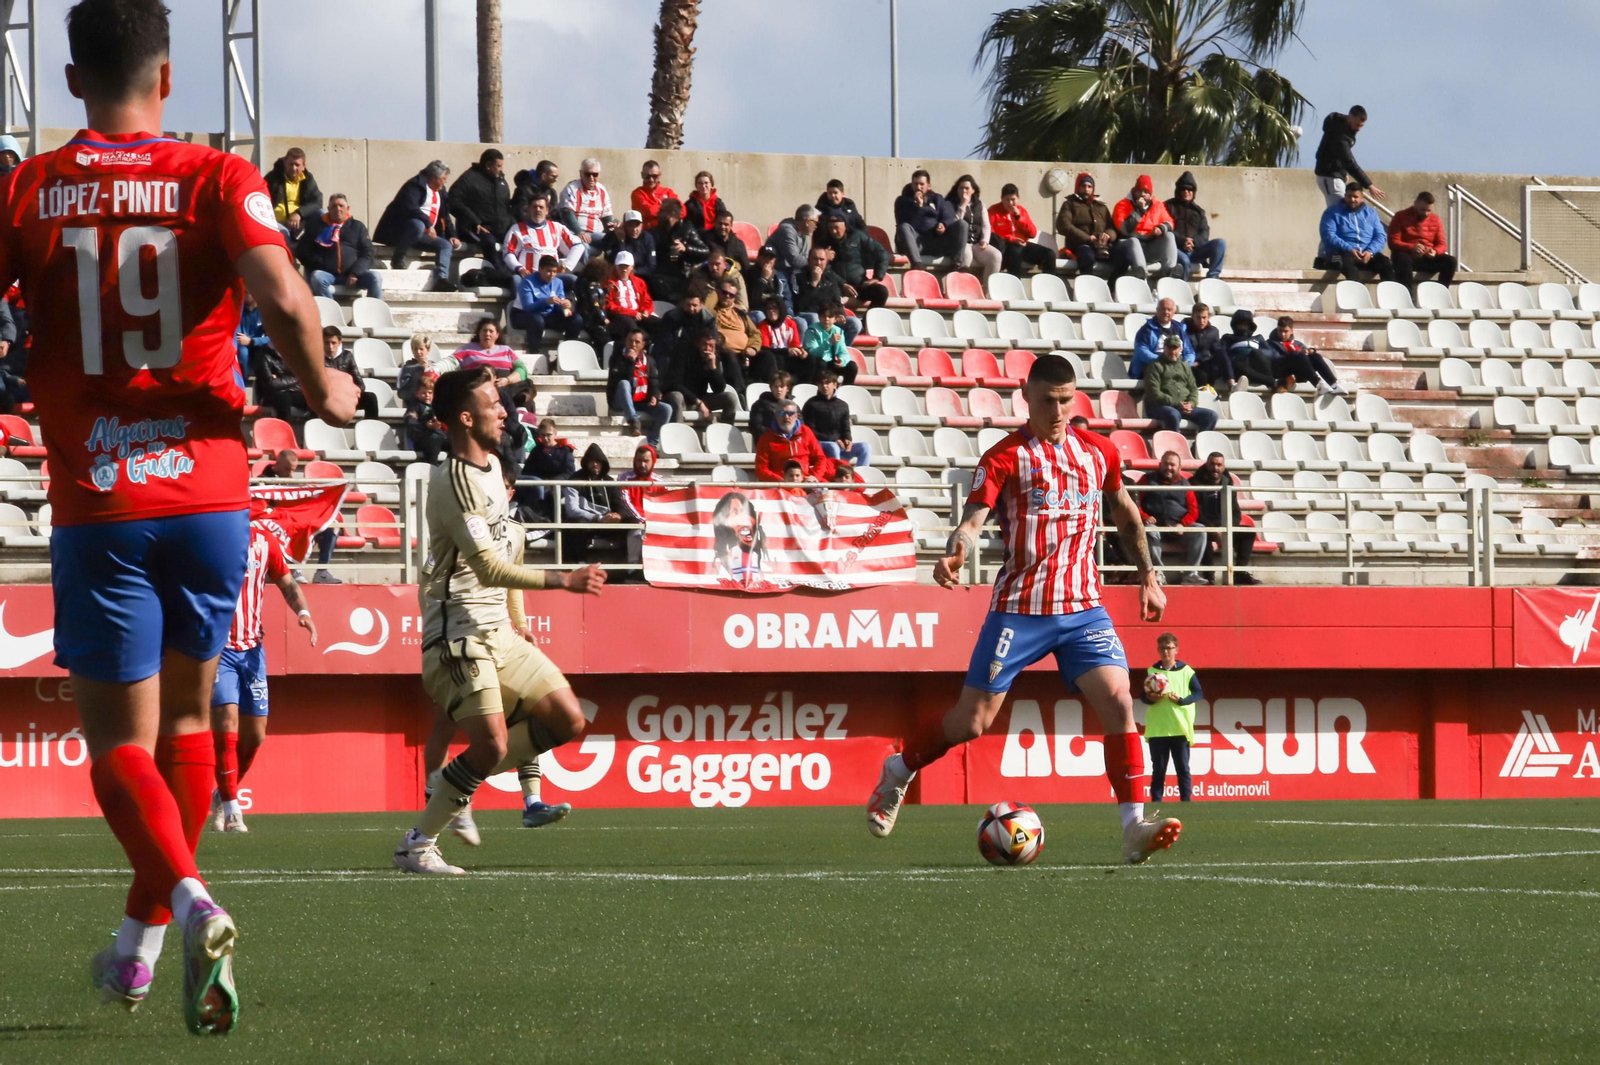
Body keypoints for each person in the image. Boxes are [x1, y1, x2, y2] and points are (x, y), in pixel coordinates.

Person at [0, 0, 359, 1033]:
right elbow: (286, 301)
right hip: (209, 495)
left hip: (101, 501)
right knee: (194, 724)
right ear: (168, 81)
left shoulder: (30, 187)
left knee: (120, 744)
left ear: (72, 83)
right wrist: (326, 387)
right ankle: (139, 945)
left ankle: (193, 897)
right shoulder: (216, 179)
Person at [864, 355, 1179, 866]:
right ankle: (899, 770)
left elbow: (1125, 513)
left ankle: (1132, 828)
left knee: (1120, 704)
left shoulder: (1098, 452)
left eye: (1066, 399)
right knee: (971, 722)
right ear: (1026, 397)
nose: (1057, 410)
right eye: (1047, 400)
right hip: (1020, 609)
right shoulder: (1005, 456)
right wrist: (958, 547)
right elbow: (973, 518)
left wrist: (1148, 575)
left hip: (1083, 610)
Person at [395, 366, 606, 875]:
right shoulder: (456, 482)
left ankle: (453, 783)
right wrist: (565, 581)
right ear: (466, 418)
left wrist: (518, 617)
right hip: (457, 632)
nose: (505, 411)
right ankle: (418, 843)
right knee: (490, 743)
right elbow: (488, 567)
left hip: (499, 633)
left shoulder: (492, 466)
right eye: (494, 404)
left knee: (569, 720)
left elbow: (505, 561)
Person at [207, 519, 316, 834]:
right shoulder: (210, 538)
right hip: (219, 650)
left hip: (253, 650)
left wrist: (304, 613)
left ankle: (222, 794)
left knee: (255, 736)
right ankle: (231, 811)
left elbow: (287, 582)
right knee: (227, 725)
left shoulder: (265, 541)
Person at [375, 160, 460, 291]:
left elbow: (445, 216)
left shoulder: (441, 192)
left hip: (425, 235)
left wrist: (453, 235)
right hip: (403, 232)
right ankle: (398, 258)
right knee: (417, 225)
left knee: (445, 245)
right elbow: (410, 207)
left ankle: (441, 279)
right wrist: (428, 223)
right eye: (443, 179)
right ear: (434, 177)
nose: (445, 183)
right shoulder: (414, 185)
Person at [1141, 633, 1202, 803]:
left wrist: (1182, 701)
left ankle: (1186, 802)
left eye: (1169, 648)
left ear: (1176, 650)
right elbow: (1143, 697)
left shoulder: (1186, 671)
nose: (1166, 652)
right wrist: (1151, 699)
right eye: (1162, 648)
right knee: (1158, 769)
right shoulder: (1152, 672)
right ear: (1158, 650)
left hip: (1179, 727)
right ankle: (1156, 802)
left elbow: (1198, 693)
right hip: (1158, 729)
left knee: (1182, 768)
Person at [1188, 451, 1258, 585]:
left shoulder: (1228, 484)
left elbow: (1235, 511)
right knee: (1202, 535)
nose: (1215, 468)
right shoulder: (1194, 483)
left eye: (1219, 465)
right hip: (1204, 526)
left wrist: (1228, 528)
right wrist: (1214, 530)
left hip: (1225, 526)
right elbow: (1195, 512)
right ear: (1206, 464)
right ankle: (1209, 576)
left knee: (1248, 532)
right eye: (1212, 464)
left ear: (1223, 466)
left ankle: (1240, 572)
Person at [294, 193, 381, 298]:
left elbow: (368, 253)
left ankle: (372, 313)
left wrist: (355, 273)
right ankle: (331, 311)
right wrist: (323, 263)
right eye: (334, 206)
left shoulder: (357, 227)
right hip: (328, 274)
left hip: (353, 275)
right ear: (328, 209)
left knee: (375, 278)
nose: (338, 209)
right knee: (317, 278)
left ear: (347, 208)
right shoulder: (316, 226)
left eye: (341, 206)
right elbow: (302, 251)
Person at [1141, 450, 1205, 585]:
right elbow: (1134, 503)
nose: (1169, 468)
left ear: (1179, 468)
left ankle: (1191, 574)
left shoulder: (1185, 484)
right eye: (1166, 464)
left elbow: (1193, 510)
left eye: (1172, 465)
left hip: (1178, 529)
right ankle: (1158, 572)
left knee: (1200, 530)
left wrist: (1183, 524)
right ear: (1160, 464)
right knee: (1149, 530)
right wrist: (1145, 516)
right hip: (1155, 526)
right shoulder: (1147, 480)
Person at [563, 442, 630, 563]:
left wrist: (618, 515)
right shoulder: (574, 480)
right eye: (591, 461)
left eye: (598, 461)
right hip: (587, 521)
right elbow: (572, 510)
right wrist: (598, 518)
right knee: (576, 524)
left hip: (606, 522)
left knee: (632, 523)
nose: (595, 464)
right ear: (586, 463)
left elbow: (620, 503)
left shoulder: (609, 481)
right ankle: (580, 563)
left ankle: (632, 566)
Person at [606, 328, 671, 443]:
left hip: (641, 400)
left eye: (637, 342)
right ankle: (633, 421)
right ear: (625, 341)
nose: (633, 345)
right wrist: (630, 362)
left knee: (666, 409)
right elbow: (618, 380)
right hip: (620, 401)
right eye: (630, 341)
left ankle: (652, 443)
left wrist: (654, 396)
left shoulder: (649, 360)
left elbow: (654, 381)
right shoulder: (617, 358)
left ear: (643, 344)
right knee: (624, 384)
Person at [1313, 105, 1385, 208]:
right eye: (1357, 125)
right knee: (1339, 211)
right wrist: (1369, 185)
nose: (1359, 129)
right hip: (1330, 177)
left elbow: (1336, 155)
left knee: (1340, 210)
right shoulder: (1341, 136)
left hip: (1333, 175)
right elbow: (1349, 161)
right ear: (1350, 117)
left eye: (1361, 126)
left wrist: (1342, 172)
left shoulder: (1340, 124)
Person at [1143, 335, 1217, 434]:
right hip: (1159, 407)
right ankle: (1175, 445)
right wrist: (1177, 404)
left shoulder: (1185, 367)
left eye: (1175, 348)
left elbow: (1193, 389)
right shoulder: (1155, 366)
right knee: (1173, 414)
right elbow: (1154, 393)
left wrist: (1191, 403)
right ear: (1164, 348)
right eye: (1169, 348)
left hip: (1184, 407)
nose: (1172, 352)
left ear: (1180, 349)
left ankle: (1198, 446)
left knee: (1211, 416)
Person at [1319, 184, 1393, 282]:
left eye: (1356, 197)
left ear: (1362, 198)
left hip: (1366, 253)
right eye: (1349, 196)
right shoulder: (1332, 212)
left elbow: (1380, 236)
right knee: (1350, 269)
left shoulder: (1371, 214)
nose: (1352, 200)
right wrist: (1350, 249)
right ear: (1345, 196)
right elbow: (1328, 235)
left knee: (1386, 264)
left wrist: (1370, 252)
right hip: (1343, 252)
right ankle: (1358, 295)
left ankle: (1390, 295)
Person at [815, 211, 889, 309]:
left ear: (845, 226)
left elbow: (881, 253)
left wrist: (877, 277)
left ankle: (867, 321)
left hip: (859, 284)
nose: (833, 231)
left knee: (881, 292)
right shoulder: (824, 242)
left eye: (836, 228)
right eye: (830, 228)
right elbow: (820, 267)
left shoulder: (858, 237)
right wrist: (842, 284)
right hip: (835, 285)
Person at [1112, 175, 1181, 278]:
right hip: (1127, 246)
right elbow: (1124, 230)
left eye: (1146, 192)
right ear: (1134, 191)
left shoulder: (1158, 205)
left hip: (1149, 246)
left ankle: (1170, 271)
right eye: (1140, 191)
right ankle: (1141, 273)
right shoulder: (1122, 205)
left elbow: (1170, 222)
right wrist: (1139, 210)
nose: (1142, 194)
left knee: (1169, 235)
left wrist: (1161, 228)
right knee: (1133, 241)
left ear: (1150, 193)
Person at [894, 170, 966, 268]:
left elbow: (949, 215)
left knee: (962, 224)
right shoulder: (902, 201)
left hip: (936, 241)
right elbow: (904, 223)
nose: (918, 187)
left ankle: (957, 264)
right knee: (904, 227)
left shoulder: (937, 199)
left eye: (922, 184)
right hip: (915, 243)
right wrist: (919, 206)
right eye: (915, 184)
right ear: (911, 185)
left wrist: (943, 224)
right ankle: (917, 265)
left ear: (929, 186)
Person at [450, 148, 513, 261]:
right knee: (489, 242)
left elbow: (506, 206)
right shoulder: (469, 179)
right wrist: (475, 222)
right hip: (476, 230)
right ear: (489, 166)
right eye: (499, 166)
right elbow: (453, 201)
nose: (501, 170)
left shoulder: (501, 181)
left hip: (499, 230)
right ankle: (498, 273)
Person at [1387, 191, 1457, 292]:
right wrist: (1412, 247)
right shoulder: (1400, 216)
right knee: (1403, 259)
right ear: (1415, 204)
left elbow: (1442, 244)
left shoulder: (1435, 219)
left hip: (1426, 258)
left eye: (1429, 210)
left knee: (1450, 261)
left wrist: (1435, 251)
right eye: (1422, 209)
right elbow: (1393, 242)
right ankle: (1407, 296)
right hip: (1406, 256)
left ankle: (1440, 294)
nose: (1426, 213)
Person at [755, 398, 837, 482]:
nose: (786, 417)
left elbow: (821, 458)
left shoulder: (806, 432)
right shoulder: (766, 438)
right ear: (776, 416)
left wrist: (815, 476)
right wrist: (780, 480)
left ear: (796, 416)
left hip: (806, 481)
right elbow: (760, 469)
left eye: (790, 413)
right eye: (782, 413)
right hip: (781, 483)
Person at [503, 192, 584, 278]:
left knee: (573, 280)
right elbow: (508, 253)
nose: (538, 210)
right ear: (529, 210)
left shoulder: (557, 228)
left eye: (541, 207)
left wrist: (565, 266)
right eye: (534, 207)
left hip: (552, 278)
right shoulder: (517, 229)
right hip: (528, 278)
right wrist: (519, 268)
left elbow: (578, 246)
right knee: (516, 279)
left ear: (547, 211)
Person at [664, 331, 737, 425]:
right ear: (697, 344)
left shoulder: (712, 358)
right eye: (704, 344)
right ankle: (678, 432)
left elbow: (719, 389)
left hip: (701, 398)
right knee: (676, 396)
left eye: (711, 346)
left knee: (730, 398)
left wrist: (713, 368)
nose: (707, 349)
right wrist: (699, 403)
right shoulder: (683, 353)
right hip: (683, 399)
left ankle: (725, 432)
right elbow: (675, 384)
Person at [1056, 172, 1121, 274]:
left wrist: (1108, 235)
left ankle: (1111, 287)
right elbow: (1063, 225)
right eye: (1083, 186)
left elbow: (1112, 227)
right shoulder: (1070, 204)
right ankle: (1087, 288)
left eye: (1089, 186)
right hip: (1080, 246)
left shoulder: (1101, 207)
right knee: (1087, 258)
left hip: (1102, 247)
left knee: (1122, 257)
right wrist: (1087, 238)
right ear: (1078, 186)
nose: (1086, 189)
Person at [794, 249, 863, 344]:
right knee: (815, 318)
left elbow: (837, 301)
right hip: (808, 315)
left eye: (822, 259)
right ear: (808, 260)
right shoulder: (798, 277)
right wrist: (814, 283)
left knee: (855, 323)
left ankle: (838, 350)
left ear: (826, 261)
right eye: (815, 259)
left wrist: (840, 315)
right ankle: (818, 350)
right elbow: (801, 305)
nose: (818, 263)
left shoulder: (831, 277)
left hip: (828, 317)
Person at [1165, 172, 1225, 279]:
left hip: (1195, 250)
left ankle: (1213, 279)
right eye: (1183, 189)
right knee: (1184, 261)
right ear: (1178, 191)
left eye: (1190, 190)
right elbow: (1166, 230)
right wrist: (1182, 241)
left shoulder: (1199, 212)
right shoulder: (1168, 207)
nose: (1187, 192)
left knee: (1220, 243)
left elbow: (1204, 233)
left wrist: (1193, 242)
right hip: (1176, 250)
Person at [803, 371, 869, 467]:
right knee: (833, 446)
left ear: (834, 384)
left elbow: (846, 427)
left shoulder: (843, 405)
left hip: (839, 444)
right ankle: (838, 475)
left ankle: (862, 478)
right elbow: (810, 431)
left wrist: (847, 439)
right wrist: (834, 439)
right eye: (821, 383)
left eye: (827, 383)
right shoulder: (811, 404)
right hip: (819, 444)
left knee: (865, 447)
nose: (824, 386)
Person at [650, 197, 708, 303]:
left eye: (661, 211)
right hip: (660, 277)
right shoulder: (655, 232)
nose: (658, 213)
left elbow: (705, 251)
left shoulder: (687, 229)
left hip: (683, 276)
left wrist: (686, 249)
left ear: (672, 213)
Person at [616, 442, 662, 576]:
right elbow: (625, 502)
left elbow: (663, 502)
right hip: (632, 519)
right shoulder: (624, 478)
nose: (642, 465)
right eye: (639, 461)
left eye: (646, 461)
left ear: (653, 461)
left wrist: (652, 520)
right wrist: (642, 520)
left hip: (652, 519)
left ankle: (657, 567)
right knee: (637, 528)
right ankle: (633, 568)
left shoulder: (659, 481)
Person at [989, 183, 1055, 276]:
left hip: (1023, 244)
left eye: (1013, 199)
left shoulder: (1022, 211)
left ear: (1018, 198)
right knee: (1015, 250)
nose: (1010, 203)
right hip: (1005, 246)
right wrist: (1012, 239)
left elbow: (1033, 233)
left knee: (1049, 254)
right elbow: (991, 233)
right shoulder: (993, 210)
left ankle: (1049, 286)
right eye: (1007, 200)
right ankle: (1015, 285)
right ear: (1002, 199)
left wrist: (1019, 217)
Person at [510, 255, 582, 341]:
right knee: (537, 320)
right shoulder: (527, 282)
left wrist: (565, 305)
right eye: (549, 271)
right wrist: (546, 301)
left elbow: (559, 306)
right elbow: (528, 307)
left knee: (576, 319)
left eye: (555, 272)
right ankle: (534, 352)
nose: (552, 275)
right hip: (522, 315)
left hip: (547, 315)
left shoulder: (558, 282)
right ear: (540, 269)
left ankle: (567, 349)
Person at [1269, 316, 1346, 395]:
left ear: (1291, 331)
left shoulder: (1296, 343)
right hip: (1281, 371)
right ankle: (1318, 384)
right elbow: (1272, 359)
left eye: (1285, 331)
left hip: (1298, 373)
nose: (1282, 334)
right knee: (1298, 354)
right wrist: (1294, 355)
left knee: (1315, 356)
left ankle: (1333, 384)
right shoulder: (1269, 343)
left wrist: (1309, 351)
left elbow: (1305, 355)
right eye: (1280, 331)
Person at [713, 278, 765, 392]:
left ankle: (770, 393)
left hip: (744, 353)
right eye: (724, 292)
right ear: (717, 291)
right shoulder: (711, 312)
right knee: (729, 356)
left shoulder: (740, 313)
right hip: (722, 352)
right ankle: (740, 392)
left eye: (731, 295)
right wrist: (714, 295)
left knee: (767, 357)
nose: (727, 296)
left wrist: (752, 347)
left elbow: (755, 333)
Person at [947, 174, 1002, 280]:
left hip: (977, 243)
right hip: (962, 243)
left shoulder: (980, 205)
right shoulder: (951, 204)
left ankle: (986, 289)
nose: (964, 191)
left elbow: (986, 225)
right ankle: (961, 287)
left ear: (973, 190)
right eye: (961, 188)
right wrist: (963, 205)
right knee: (967, 256)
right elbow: (955, 223)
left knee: (996, 256)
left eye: (967, 188)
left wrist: (985, 240)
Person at [323, 326, 382, 420]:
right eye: (327, 343)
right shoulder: (317, 358)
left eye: (333, 343)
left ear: (339, 343)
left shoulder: (347, 356)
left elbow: (360, 383)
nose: (330, 347)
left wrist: (352, 393)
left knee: (370, 398)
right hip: (326, 397)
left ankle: (370, 429)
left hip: (345, 396)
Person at [265, 146, 322, 239]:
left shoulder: (308, 179)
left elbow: (317, 202)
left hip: (300, 222)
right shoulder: (272, 177)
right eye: (290, 164)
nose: (293, 168)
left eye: (297, 165)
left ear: (304, 166)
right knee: (284, 234)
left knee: (323, 213)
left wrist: (299, 213)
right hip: (277, 223)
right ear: (285, 163)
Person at [1130, 297, 1194, 379]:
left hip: (1177, 364)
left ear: (1174, 312)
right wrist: (1162, 361)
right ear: (1157, 310)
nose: (1166, 312)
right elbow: (1141, 351)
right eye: (1163, 309)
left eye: (1169, 309)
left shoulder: (1180, 329)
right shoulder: (1146, 329)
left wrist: (1185, 363)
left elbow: (1189, 351)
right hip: (1155, 365)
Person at [560, 157, 615, 246]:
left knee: (616, 239)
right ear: (580, 173)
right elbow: (567, 213)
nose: (591, 178)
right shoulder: (572, 188)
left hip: (595, 234)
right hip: (574, 233)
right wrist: (579, 232)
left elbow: (607, 217)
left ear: (599, 175)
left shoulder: (602, 190)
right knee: (582, 247)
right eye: (587, 174)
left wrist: (613, 229)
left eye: (595, 174)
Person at [605, 250, 658, 339]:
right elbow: (609, 304)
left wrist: (646, 311)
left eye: (627, 266)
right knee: (631, 326)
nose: (624, 269)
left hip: (638, 314)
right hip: (620, 316)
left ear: (632, 267)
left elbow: (647, 301)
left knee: (659, 323)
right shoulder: (609, 283)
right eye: (620, 266)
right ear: (615, 266)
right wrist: (632, 313)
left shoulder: (639, 282)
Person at [802, 304, 858, 385]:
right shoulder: (812, 330)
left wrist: (842, 360)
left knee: (852, 366)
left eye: (830, 317)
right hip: (817, 364)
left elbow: (843, 351)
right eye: (823, 316)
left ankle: (846, 389)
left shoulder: (838, 331)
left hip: (831, 363)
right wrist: (829, 342)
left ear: (835, 319)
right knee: (821, 363)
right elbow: (812, 352)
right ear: (819, 317)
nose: (826, 319)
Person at [1185, 303, 1234, 392]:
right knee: (1202, 374)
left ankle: (1232, 384)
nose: (1201, 321)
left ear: (1208, 317)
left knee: (1221, 353)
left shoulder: (1213, 331)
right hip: (1192, 364)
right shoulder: (1185, 330)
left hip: (1204, 361)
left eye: (1204, 318)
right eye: (1198, 317)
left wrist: (1201, 360)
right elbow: (1187, 349)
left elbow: (1215, 350)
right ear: (1192, 316)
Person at [756, 300, 809, 384]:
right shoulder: (763, 326)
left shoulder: (791, 323)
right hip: (774, 357)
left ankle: (805, 385)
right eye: (768, 309)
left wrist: (801, 352)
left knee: (809, 358)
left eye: (775, 308)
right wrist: (786, 351)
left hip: (789, 357)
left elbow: (796, 344)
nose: (771, 311)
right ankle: (779, 384)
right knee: (777, 357)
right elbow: (765, 348)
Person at [597, 209, 657, 281]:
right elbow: (613, 262)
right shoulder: (613, 236)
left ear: (642, 225)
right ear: (624, 225)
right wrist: (621, 241)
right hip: (617, 278)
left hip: (641, 277)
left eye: (637, 225)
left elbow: (651, 266)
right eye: (630, 225)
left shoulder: (647, 238)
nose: (634, 229)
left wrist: (633, 271)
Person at [455, 318, 524, 380]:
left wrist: (507, 380)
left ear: (497, 335)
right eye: (484, 331)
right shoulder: (466, 349)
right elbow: (450, 362)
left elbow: (522, 369)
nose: (487, 334)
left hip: (504, 386)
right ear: (479, 333)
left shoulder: (506, 350)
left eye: (491, 331)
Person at [1226, 309, 1275, 390]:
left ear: (1250, 326)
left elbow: (1269, 353)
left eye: (1245, 325)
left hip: (1256, 365)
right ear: (1235, 325)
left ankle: (1272, 383)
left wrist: (1252, 352)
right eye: (1240, 324)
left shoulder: (1258, 338)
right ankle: (1273, 382)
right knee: (1239, 364)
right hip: (1239, 367)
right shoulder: (1228, 338)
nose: (1243, 327)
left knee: (1256, 353)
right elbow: (1223, 354)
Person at [404, 373, 448, 463]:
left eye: (430, 393)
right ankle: (431, 469)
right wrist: (426, 426)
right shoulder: (414, 407)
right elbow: (410, 422)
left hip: (440, 437)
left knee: (457, 446)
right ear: (416, 393)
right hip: (423, 439)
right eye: (423, 393)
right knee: (432, 447)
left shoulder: (436, 406)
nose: (427, 395)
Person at [767, 205, 819, 282]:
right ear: (807, 222)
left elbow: (805, 257)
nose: (816, 227)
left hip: (792, 272)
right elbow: (795, 261)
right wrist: (817, 260)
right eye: (815, 223)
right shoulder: (786, 230)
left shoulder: (804, 232)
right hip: (778, 273)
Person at [744, 247, 793, 318]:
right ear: (758, 258)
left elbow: (787, 298)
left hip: (777, 311)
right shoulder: (749, 274)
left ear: (774, 260)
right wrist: (764, 279)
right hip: (758, 311)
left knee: (800, 321)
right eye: (765, 257)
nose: (768, 261)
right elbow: (752, 299)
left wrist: (788, 314)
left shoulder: (780, 276)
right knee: (760, 316)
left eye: (771, 258)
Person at [630, 160, 678, 227]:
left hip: (669, 231)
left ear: (659, 175)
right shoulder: (637, 193)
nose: (651, 180)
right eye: (647, 176)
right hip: (649, 233)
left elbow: (682, 210)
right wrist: (670, 210)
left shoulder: (668, 192)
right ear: (642, 175)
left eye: (654, 176)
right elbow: (649, 211)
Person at [748, 371, 793, 439]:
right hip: (768, 443)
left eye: (782, 386)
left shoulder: (793, 406)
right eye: (776, 386)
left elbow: (800, 426)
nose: (779, 390)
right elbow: (756, 428)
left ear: (787, 388)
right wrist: (776, 433)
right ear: (771, 387)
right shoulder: (760, 405)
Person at [235, 293, 270, 378]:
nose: (246, 295)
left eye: (249, 292)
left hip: (257, 343)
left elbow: (271, 338)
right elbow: (237, 334)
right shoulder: (238, 309)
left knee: (263, 354)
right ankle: (243, 380)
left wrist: (252, 341)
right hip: (241, 345)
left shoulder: (265, 311)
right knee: (243, 353)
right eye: (245, 292)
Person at [397, 333, 435, 403]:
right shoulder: (407, 368)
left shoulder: (434, 367)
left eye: (421, 349)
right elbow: (402, 393)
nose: (418, 352)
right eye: (415, 349)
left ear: (428, 350)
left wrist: (427, 370)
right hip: (413, 406)